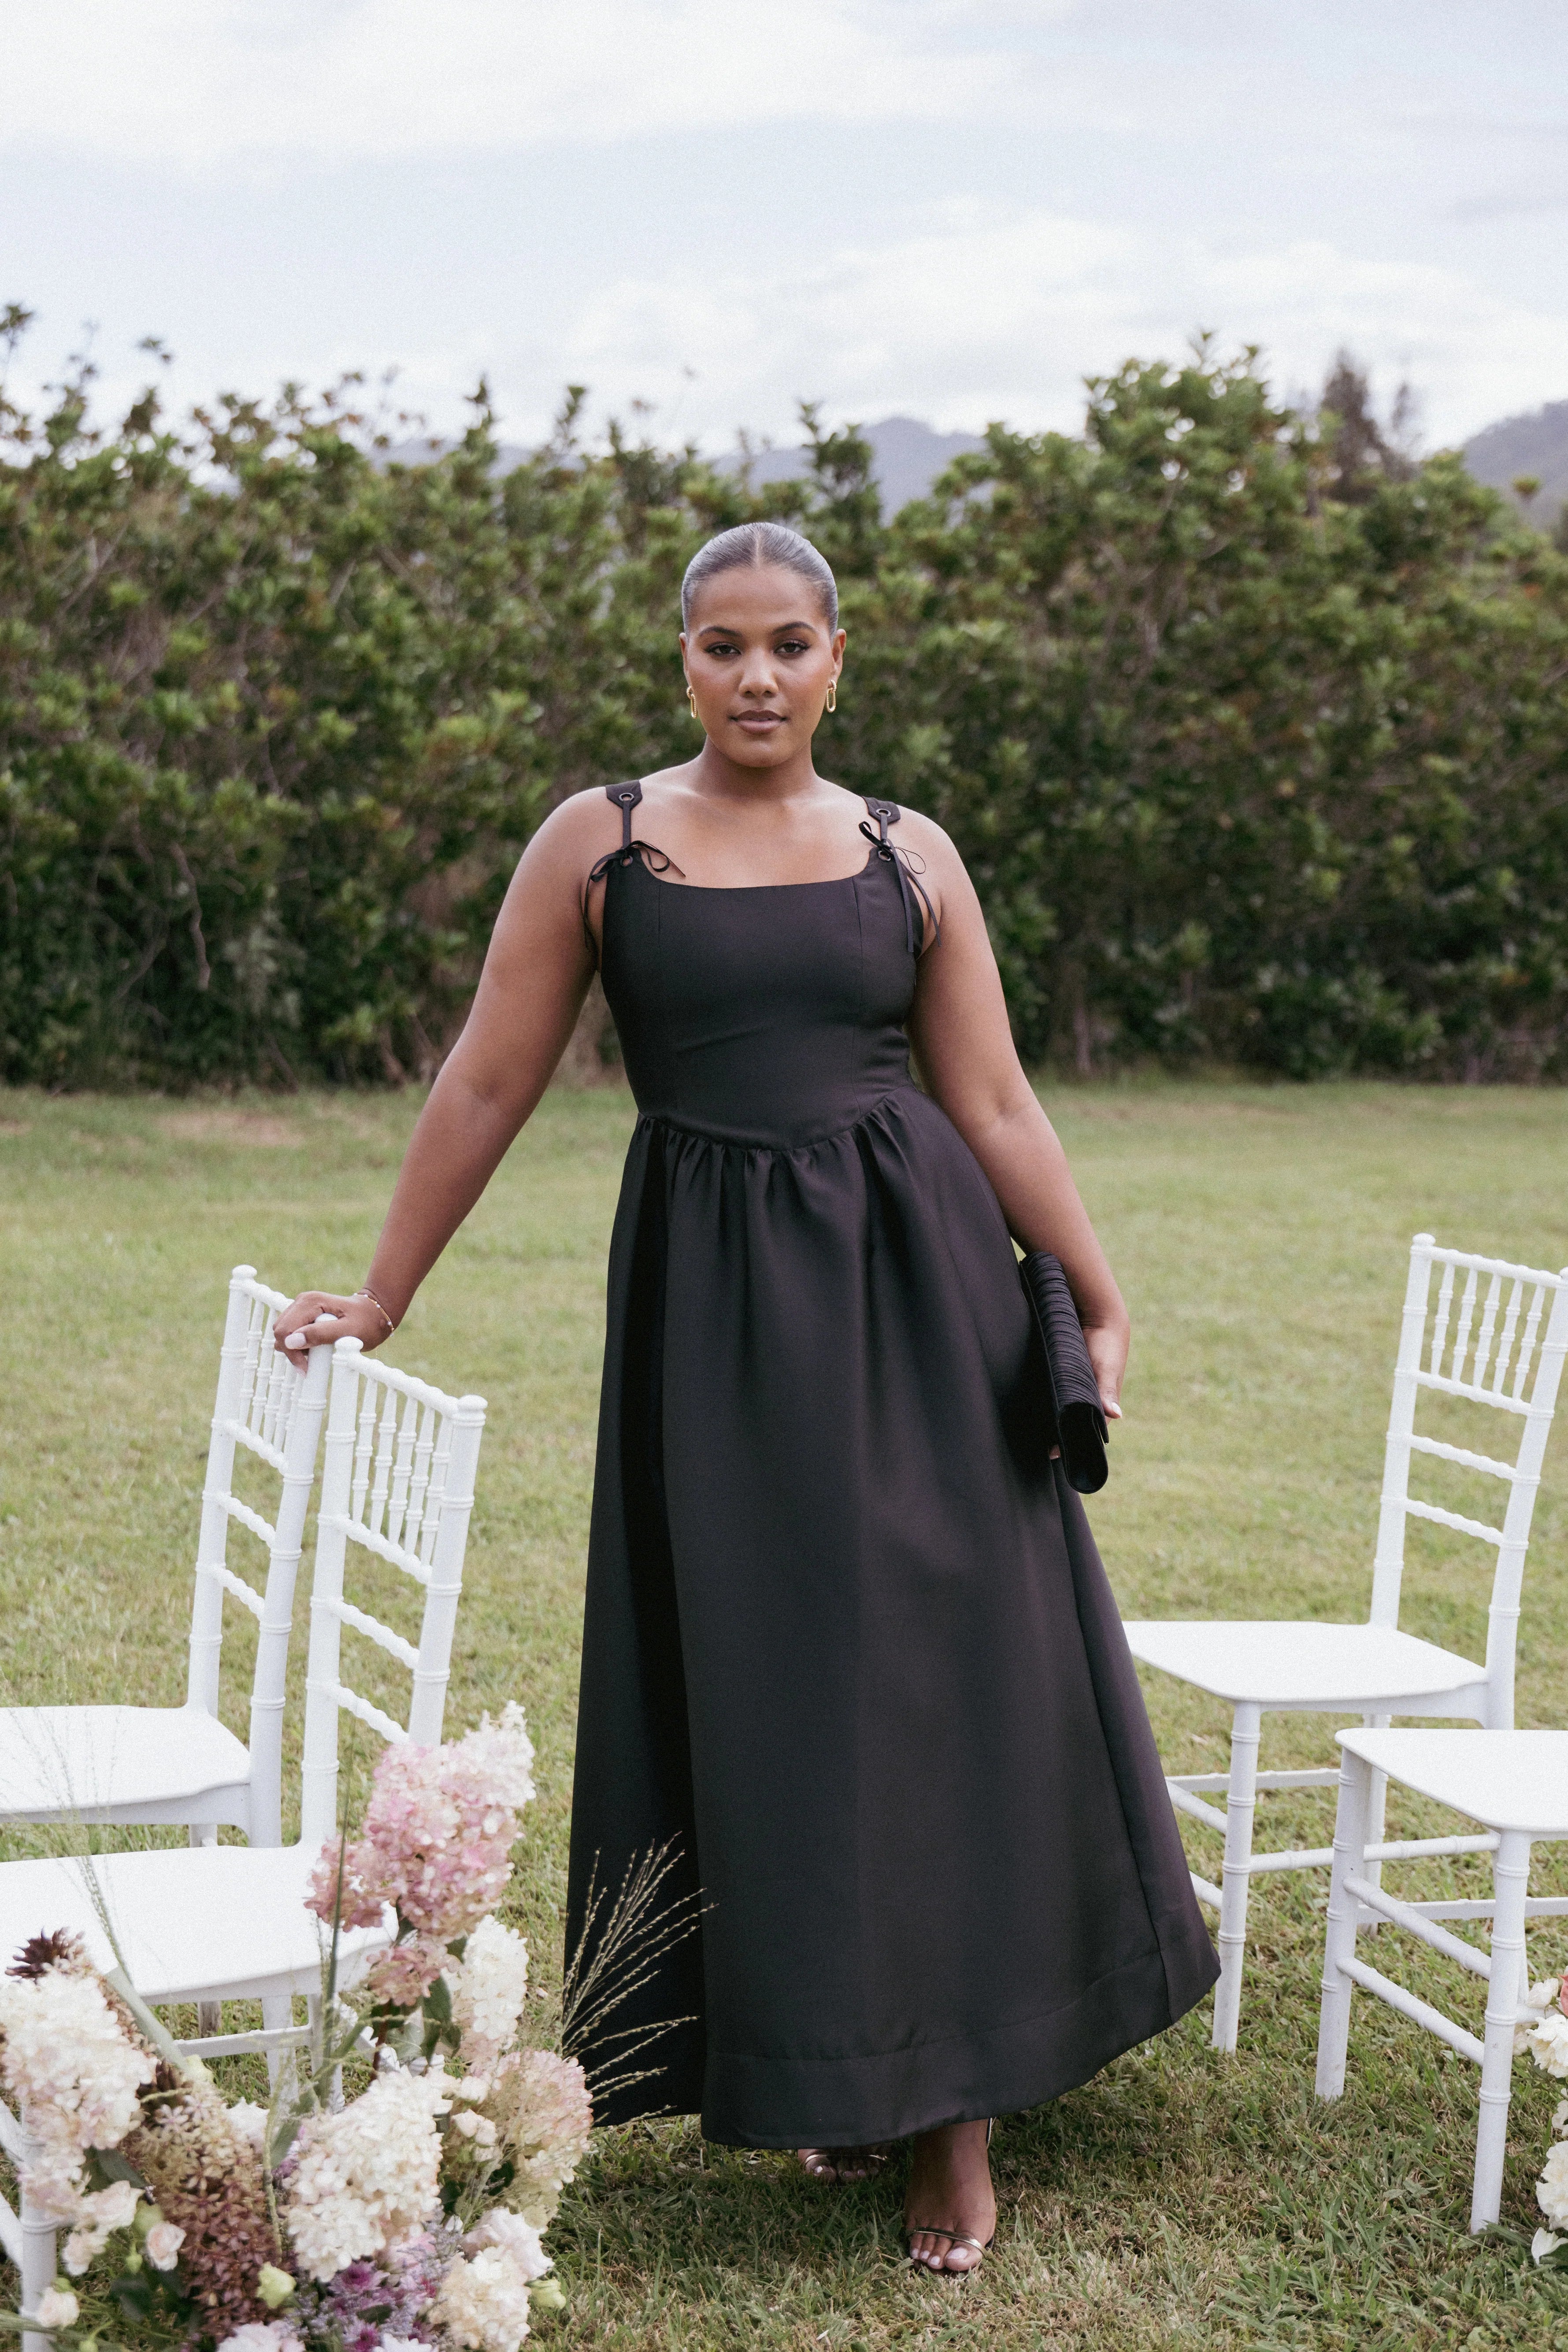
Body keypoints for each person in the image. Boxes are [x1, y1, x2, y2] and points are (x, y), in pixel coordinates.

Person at [275, 521, 1218, 2277]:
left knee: (931, 1672)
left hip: (917, 1290)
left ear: (838, 659)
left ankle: (951, 2120)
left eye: (790, 643)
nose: (758, 676)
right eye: (724, 645)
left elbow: (993, 1101)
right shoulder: (600, 843)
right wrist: (386, 1290)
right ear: (684, 660)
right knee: (772, 1678)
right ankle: (828, 2063)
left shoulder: (907, 853)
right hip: (712, 1312)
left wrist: (1091, 1290)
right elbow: (486, 1076)